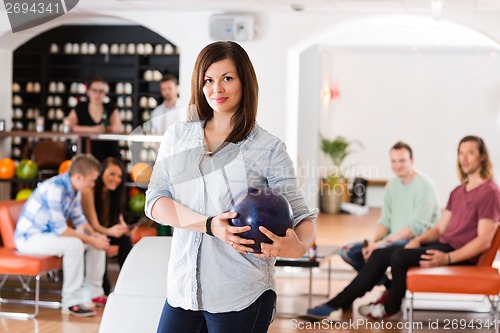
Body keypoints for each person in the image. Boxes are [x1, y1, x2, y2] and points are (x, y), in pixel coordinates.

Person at [145, 41, 317, 333]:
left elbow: (302, 217)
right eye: (209, 80)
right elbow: (155, 201)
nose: (217, 89)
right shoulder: (177, 137)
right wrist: (210, 225)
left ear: (244, 82)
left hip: (241, 294)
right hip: (182, 291)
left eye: (227, 78)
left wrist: (297, 247)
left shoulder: (268, 148)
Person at [305, 135, 500, 321]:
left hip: (457, 253)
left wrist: (447, 258)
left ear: (482, 156)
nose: (464, 158)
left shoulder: (489, 192)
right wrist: (418, 240)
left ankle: (390, 308)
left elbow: (484, 241)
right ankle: (339, 303)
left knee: (399, 257)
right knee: (379, 255)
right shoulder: (458, 191)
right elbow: (440, 229)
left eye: (470, 153)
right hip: (442, 244)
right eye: (460, 152)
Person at [338, 141, 439, 302]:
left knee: (378, 252)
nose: (397, 165)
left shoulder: (424, 186)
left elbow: (416, 227)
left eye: (402, 161)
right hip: (392, 240)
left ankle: (383, 291)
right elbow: (385, 221)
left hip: (414, 242)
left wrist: (381, 245)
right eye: (393, 161)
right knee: (348, 251)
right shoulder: (392, 185)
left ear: (412, 160)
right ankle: (389, 285)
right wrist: (373, 242)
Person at [14, 154, 110, 317]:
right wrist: (92, 240)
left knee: (96, 241)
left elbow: (80, 221)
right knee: (75, 245)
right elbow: (61, 230)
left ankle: (93, 294)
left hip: (49, 236)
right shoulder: (55, 188)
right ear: (79, 177)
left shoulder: (74, 189)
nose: (93, 184)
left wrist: (95, 236)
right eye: (91, 180)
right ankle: (71, 302)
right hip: (29, 239)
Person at [81, 157, 133, 295]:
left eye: (119, 176)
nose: (115, 179)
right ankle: (105, 288)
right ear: (101, 172)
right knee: (102, 240)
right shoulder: (89, 191)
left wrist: (124, 228)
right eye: (111, 174)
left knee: (125, 241)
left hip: (106, 231)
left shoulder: (115, 193)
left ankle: (127, 283)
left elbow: (119, 218)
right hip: (92, 232)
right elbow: (94, 225)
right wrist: (110, 232)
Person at [67, 76, 122, 161]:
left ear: (104, 93)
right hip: (85, 153)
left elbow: (116, 128)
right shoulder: (81, 107)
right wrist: (93, 129)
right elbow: (71, 126)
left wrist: (103, 128)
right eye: (94, 90)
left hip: (108, 153)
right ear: (88, 92)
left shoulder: (110, 107)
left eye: (101, 91)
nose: (97, 94)